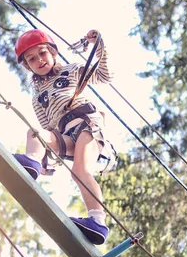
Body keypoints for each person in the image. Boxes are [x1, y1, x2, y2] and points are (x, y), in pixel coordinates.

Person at [13, 28, 117, 245]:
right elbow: (49, 129)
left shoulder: (72, 71)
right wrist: (44, 158)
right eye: (32, 59)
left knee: (80, 172)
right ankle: (32, 162)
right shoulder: (37, 97)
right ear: (27, 65)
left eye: (42, 53)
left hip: (87, 124)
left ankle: (98, 221)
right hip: (65, 133)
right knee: (36, 133)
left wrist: (100, 49)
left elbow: (105, 76)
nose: (39, 60)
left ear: (52, 52)